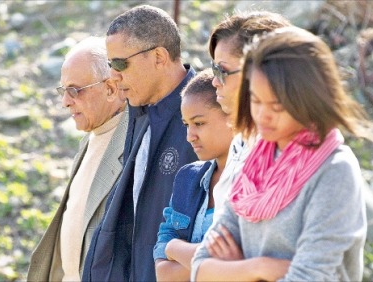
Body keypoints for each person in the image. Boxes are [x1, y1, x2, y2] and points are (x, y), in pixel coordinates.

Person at [192, 26, 373, 281]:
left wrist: (234, 271)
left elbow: (308, 276)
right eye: (256, 101)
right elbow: (200, 268)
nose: (262, 115)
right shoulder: (258, 159)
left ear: (307, 100)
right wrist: (258, 268)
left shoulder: (334, 171)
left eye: (277, 106)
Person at [82, 5, 198, 281]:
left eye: (120, 64)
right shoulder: (139, 110)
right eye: (110, 66)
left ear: (159, 57)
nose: (114, 76)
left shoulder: (206, 114)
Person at [27, 36, 128, 281]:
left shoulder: (132, 143)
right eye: (63, 91)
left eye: (74, 90)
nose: (65, 102)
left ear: (111, 88)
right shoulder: (92, 137)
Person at [208, 11, 291, 217]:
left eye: (221, 71)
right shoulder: (242, 139)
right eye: (213, 69)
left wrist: (177, 247)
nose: (214, 81)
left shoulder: (292, 151)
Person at [153, 70, 233, 281]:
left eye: (199, 123)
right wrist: (171, 246)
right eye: (186, 124)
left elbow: (232, 266)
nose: (190, 136)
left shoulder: (252, 179)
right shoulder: (187, 178)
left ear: (231, 116)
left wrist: (174, 248)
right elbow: (162, 272)